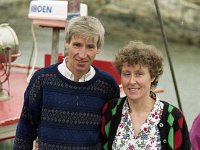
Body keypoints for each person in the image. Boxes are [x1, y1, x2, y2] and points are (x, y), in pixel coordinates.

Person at [13, 16, 120, 150]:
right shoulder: (42, 79)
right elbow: (25, 129)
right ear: (67, 43)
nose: (82, 54)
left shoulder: (107, 85)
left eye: (90, 47)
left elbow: (112, 134)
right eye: (77, 45)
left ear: (98, 48)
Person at [101, 41, 191, 150]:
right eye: (127, 74)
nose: (132, 81)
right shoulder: (110, 110)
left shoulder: (173, 117)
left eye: (139, 74)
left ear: (153, 76)